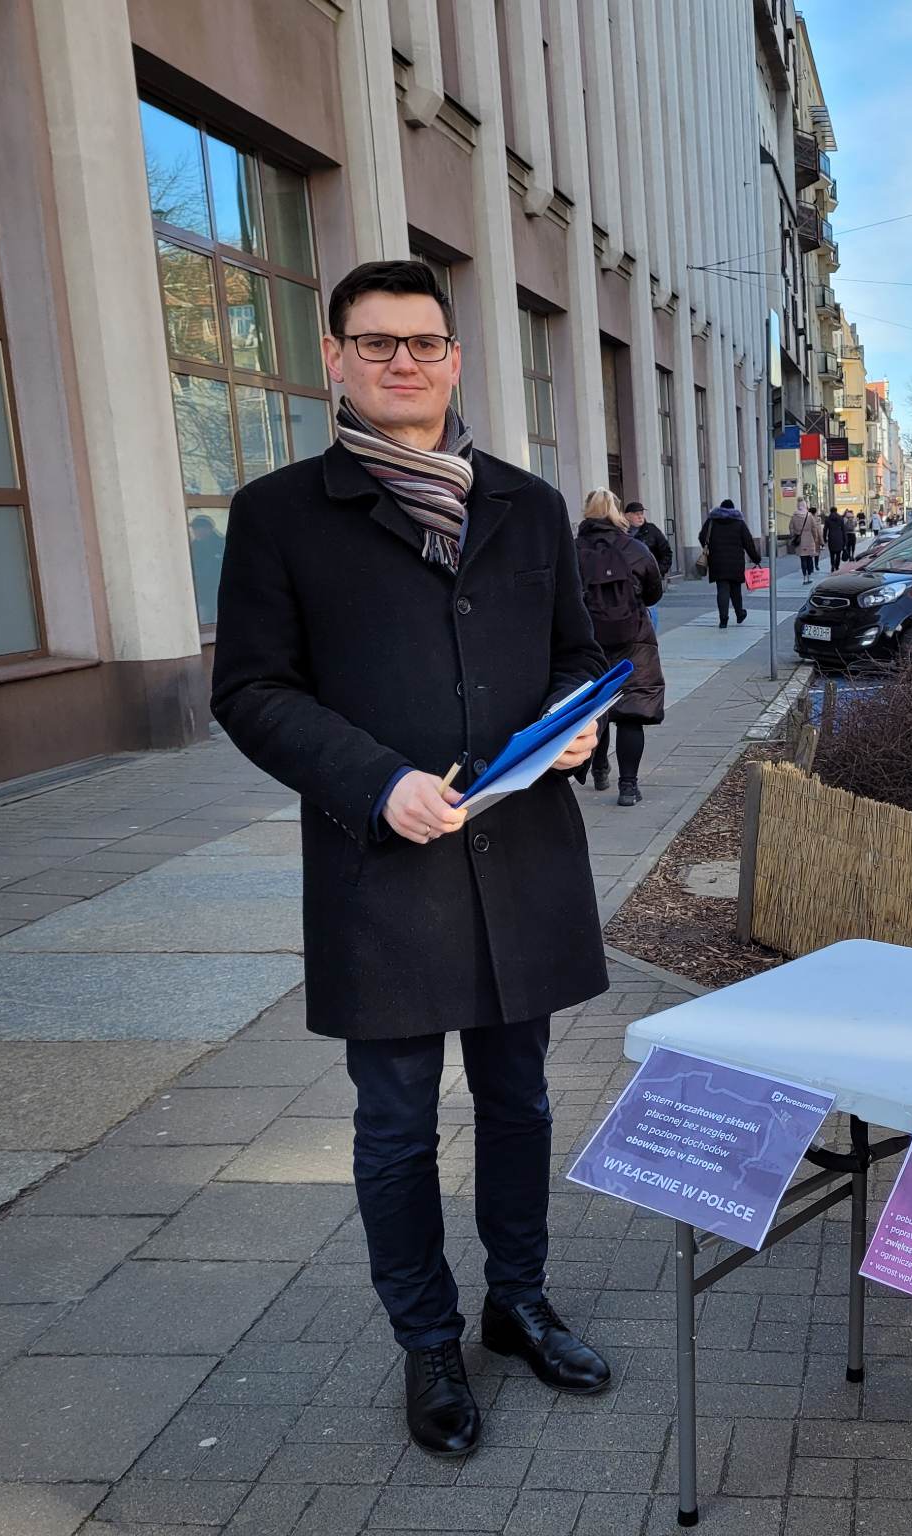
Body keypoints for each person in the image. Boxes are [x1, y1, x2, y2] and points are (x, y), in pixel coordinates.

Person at [211, 259, 614, 1464]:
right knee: (393, 1124)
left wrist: (575, 721)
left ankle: (518, 1301)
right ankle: (427, 1342)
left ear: (454, 357)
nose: (403, 362)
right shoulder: (281, 512)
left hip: (522, 859)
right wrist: (374, 784)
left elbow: (569, 652)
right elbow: (249, 689)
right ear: (333, 356)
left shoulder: (530, 504)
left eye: (425, 342)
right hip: (378, 871)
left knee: (522, 1099)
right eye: (376, 342)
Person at [574, 489, 666, 806]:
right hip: (634, 642)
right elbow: (654, 593)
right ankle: (628, 787)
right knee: (631, 715)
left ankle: (600, 769)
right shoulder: (636, 549)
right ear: (617, 513)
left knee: (596, 708)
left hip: (588, 644)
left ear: (587, 513)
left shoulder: (573, 551)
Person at [698, 498, 760, 627]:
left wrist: (711, 547)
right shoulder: (739, 523)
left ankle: (723, 620)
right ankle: (739, 614)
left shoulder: (712, 521)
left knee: (722, 589)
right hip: (735, 562)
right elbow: (748, 542)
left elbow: (702, 536)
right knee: (736, 590)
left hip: (717, 561)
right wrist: (756, 559)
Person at [624, 500, 672, 575]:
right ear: (627, 516)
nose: (640, 517)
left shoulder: (651, 530)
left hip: (649, 576)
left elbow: (666, 552)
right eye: (637, 514)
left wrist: (658, 571)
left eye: (641, 514)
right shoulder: (621, 532)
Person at [790, 501, 825, 583]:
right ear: (805, 506)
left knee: (803, 559)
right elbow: (814, 528)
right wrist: (815, 538)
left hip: (799, 539)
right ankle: (809, 576)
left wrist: (794, 535)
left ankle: (804, 577)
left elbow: (791, 527)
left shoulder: (794, 516)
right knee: (809, 558)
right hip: (809, 539)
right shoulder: (809, 516)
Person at [824, 506, 851, 572]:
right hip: (839, 537)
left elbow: (825, 529)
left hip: (831, 537)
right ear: (836, 510)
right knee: (838, 553)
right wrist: (845, 539)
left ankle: (832, 565)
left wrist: (824, 538)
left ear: (830, 511)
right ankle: (837, 566)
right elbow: (843, 530)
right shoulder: (840, 518)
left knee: (832, 554)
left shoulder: (828, 519)